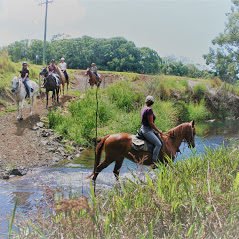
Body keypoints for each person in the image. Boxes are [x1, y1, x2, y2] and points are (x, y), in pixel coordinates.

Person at [140, 95, 162, 164]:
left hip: (144, 128)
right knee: (158, 144)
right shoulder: (149, 110)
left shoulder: (144, 108)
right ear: (152, 102)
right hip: (147, 130)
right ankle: (154, 162)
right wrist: (159, 131)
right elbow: (151, 123)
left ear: (146, 102)